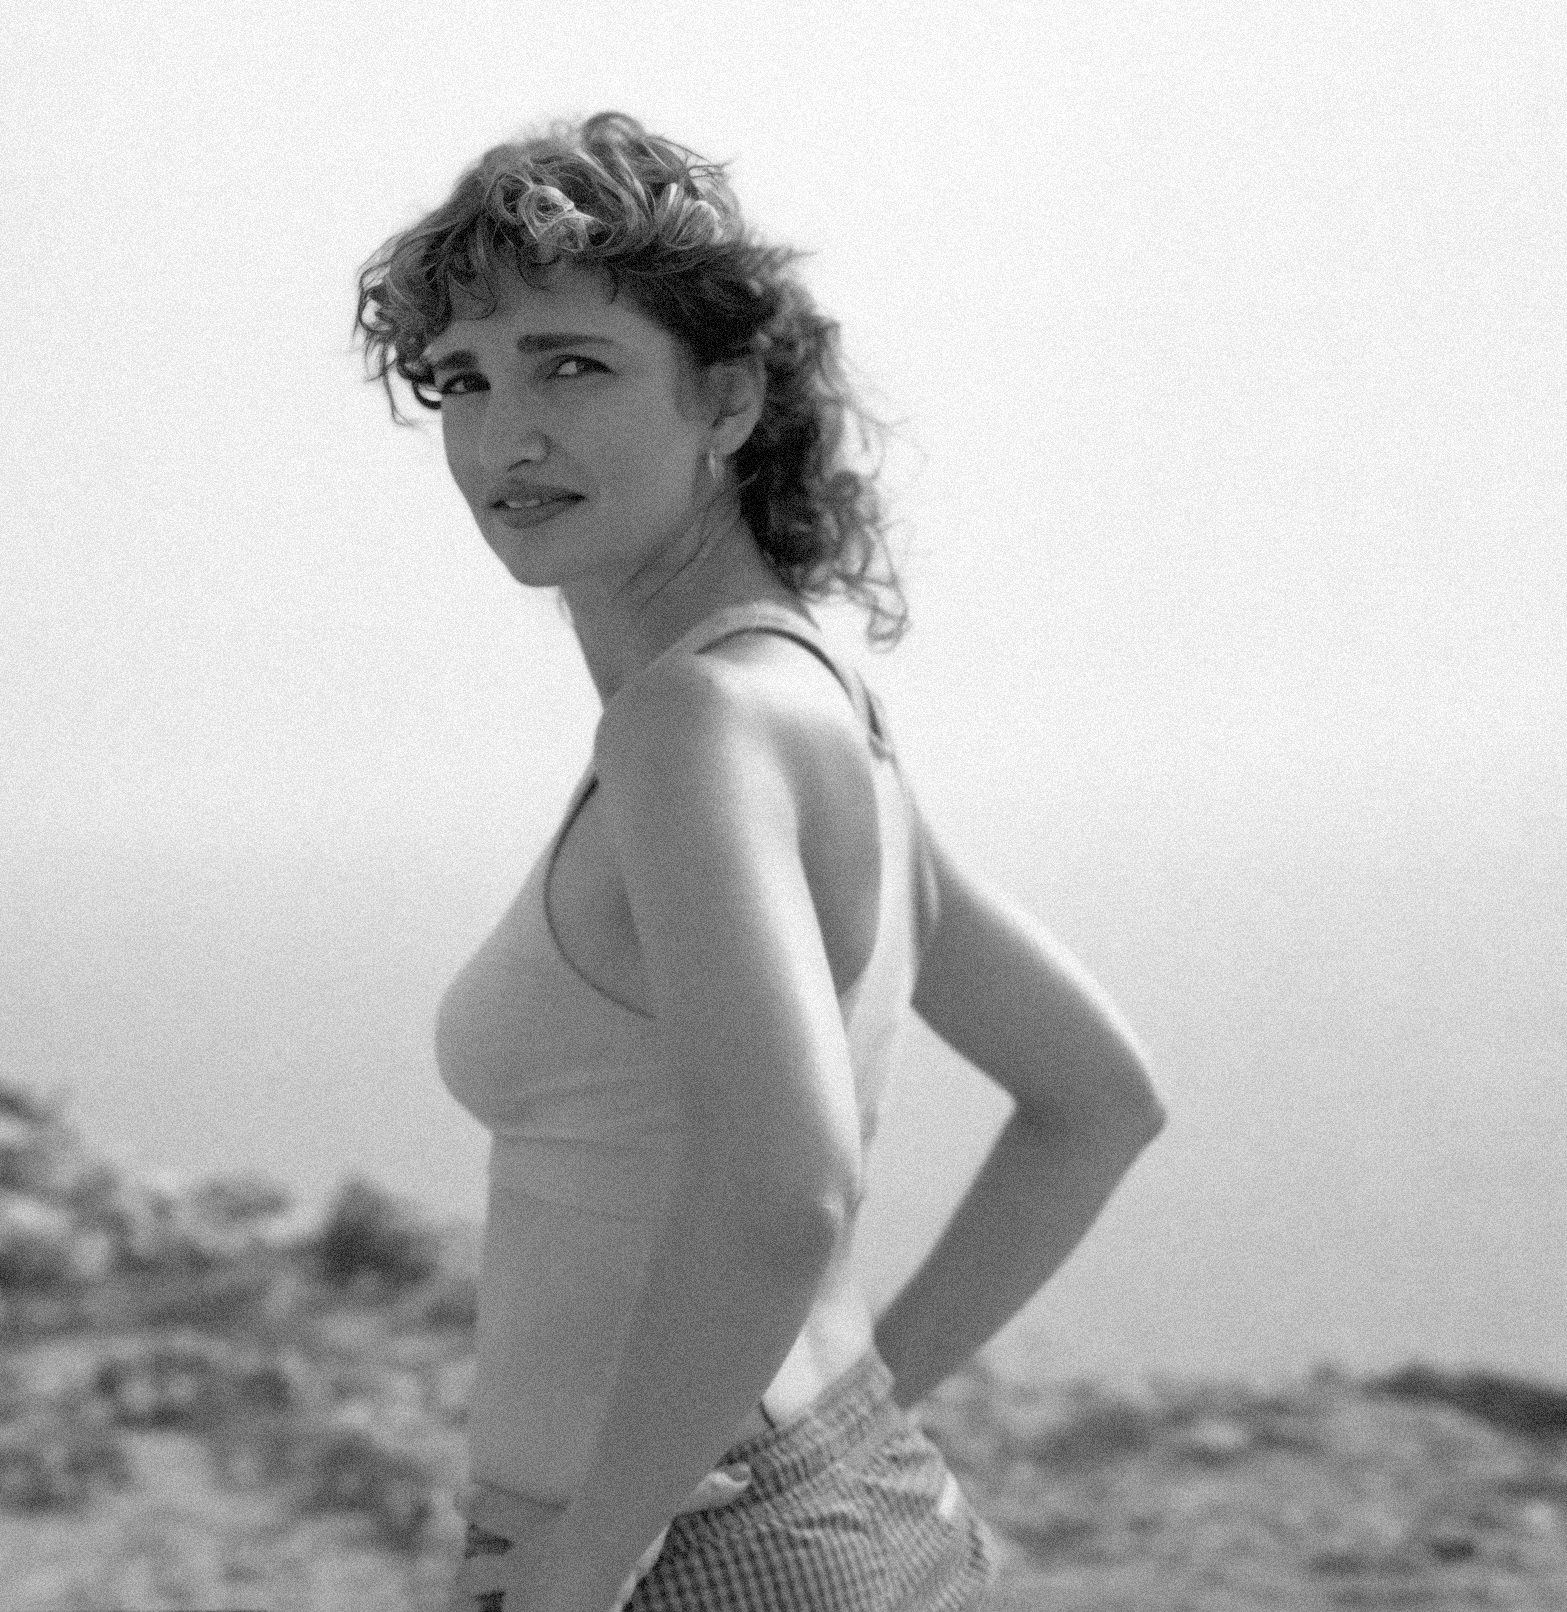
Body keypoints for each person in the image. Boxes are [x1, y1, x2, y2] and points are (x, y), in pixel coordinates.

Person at [356, 113, 1166, 1612]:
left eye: (570, 365)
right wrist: (856, 1423)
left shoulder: (696, 725)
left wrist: (594, 1551)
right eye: (462, 379)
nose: (505, 435)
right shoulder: (814, 706)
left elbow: (790, 1189)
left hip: (696, 1569)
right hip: (841, 1514)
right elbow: (1098, 1100)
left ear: (725, 400)